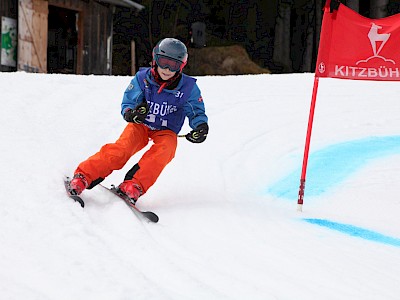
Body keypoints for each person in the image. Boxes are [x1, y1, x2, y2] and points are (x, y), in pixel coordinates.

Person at [68, 38, 208, 202]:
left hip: (166, 130)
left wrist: (200, 127)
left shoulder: (188, 88)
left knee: (166, 150)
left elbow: (195, 110)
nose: (167, 69)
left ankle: (133, 185)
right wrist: (130, 113)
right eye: (163, 62)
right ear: (155, 59)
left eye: (174, 65)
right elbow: (129, 101)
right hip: (141, 125)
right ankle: (84, 175)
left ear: (181, 66)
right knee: (122, 149)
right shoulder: (143, 79)